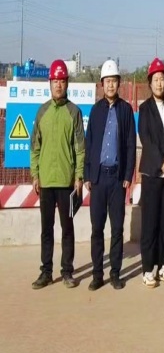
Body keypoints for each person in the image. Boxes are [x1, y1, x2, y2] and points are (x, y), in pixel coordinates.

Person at [30, 60, 85, 290]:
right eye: (55, 81)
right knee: (46, 230)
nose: (58, 85)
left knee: (67, 229)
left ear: (67, 83)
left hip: (66, 182)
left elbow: (80, 148)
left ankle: (67, 272)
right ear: (50, 83)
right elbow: (35, 147)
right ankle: (46, 271)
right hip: (46, 183)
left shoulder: (74, 112)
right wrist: (35, 175)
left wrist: (79, 176)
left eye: (62, 81)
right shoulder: (42, 112)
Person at [85, 59, 136, 291]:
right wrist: (87, 175)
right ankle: (97, 274)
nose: (110, 85)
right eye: (107, 81)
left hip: (117, 179)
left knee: (117, 228)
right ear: (102, 84)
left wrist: (127, 175)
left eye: (114, 81)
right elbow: (89, 143)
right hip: (98, 178)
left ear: (118, 83)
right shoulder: (96, 111)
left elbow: (130, 144)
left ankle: (115, 273)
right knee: (97, 228)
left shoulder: (125, 110)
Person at [138, 58, 164, 288]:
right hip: (152, 174)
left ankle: (161, 265)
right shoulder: (144, 109)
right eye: (156, 79)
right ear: (150, 83)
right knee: (150, 224)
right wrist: (161, 161)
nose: (160, 83)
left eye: (162, 79)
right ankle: (147, 268)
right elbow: (146, 139)